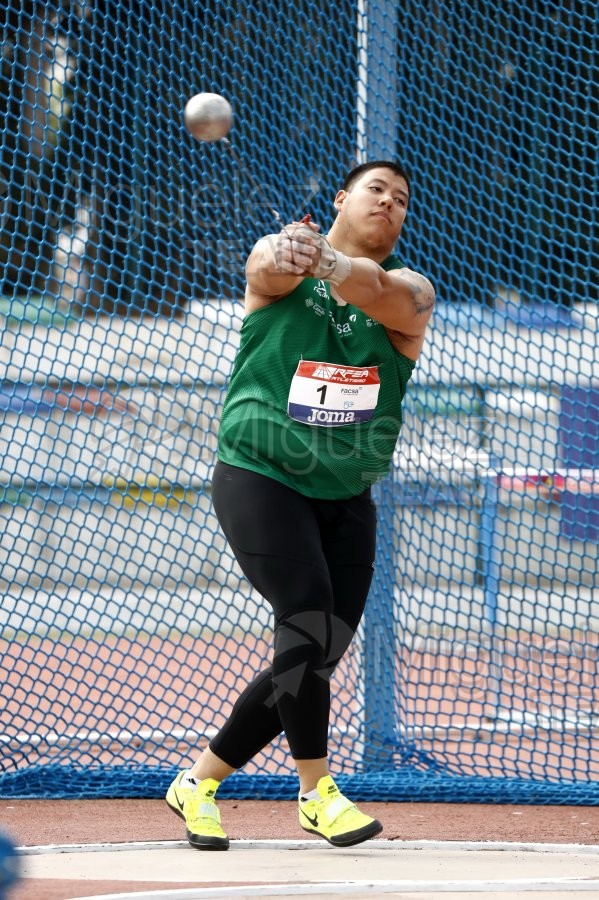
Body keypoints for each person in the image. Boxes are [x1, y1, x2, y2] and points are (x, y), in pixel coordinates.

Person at [166, 160, 435, 850]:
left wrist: (330, 262)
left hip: (347, 494)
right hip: (260, 472)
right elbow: (265, 267)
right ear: (342, 197)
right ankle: (316, 791)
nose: (389, 203)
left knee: (313, 651)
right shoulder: (284, 264)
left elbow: (383, 292)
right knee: (307, 610)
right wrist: (289, 253)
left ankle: (197, 782)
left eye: (401, 199)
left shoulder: (409, 292)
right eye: (376, 189)